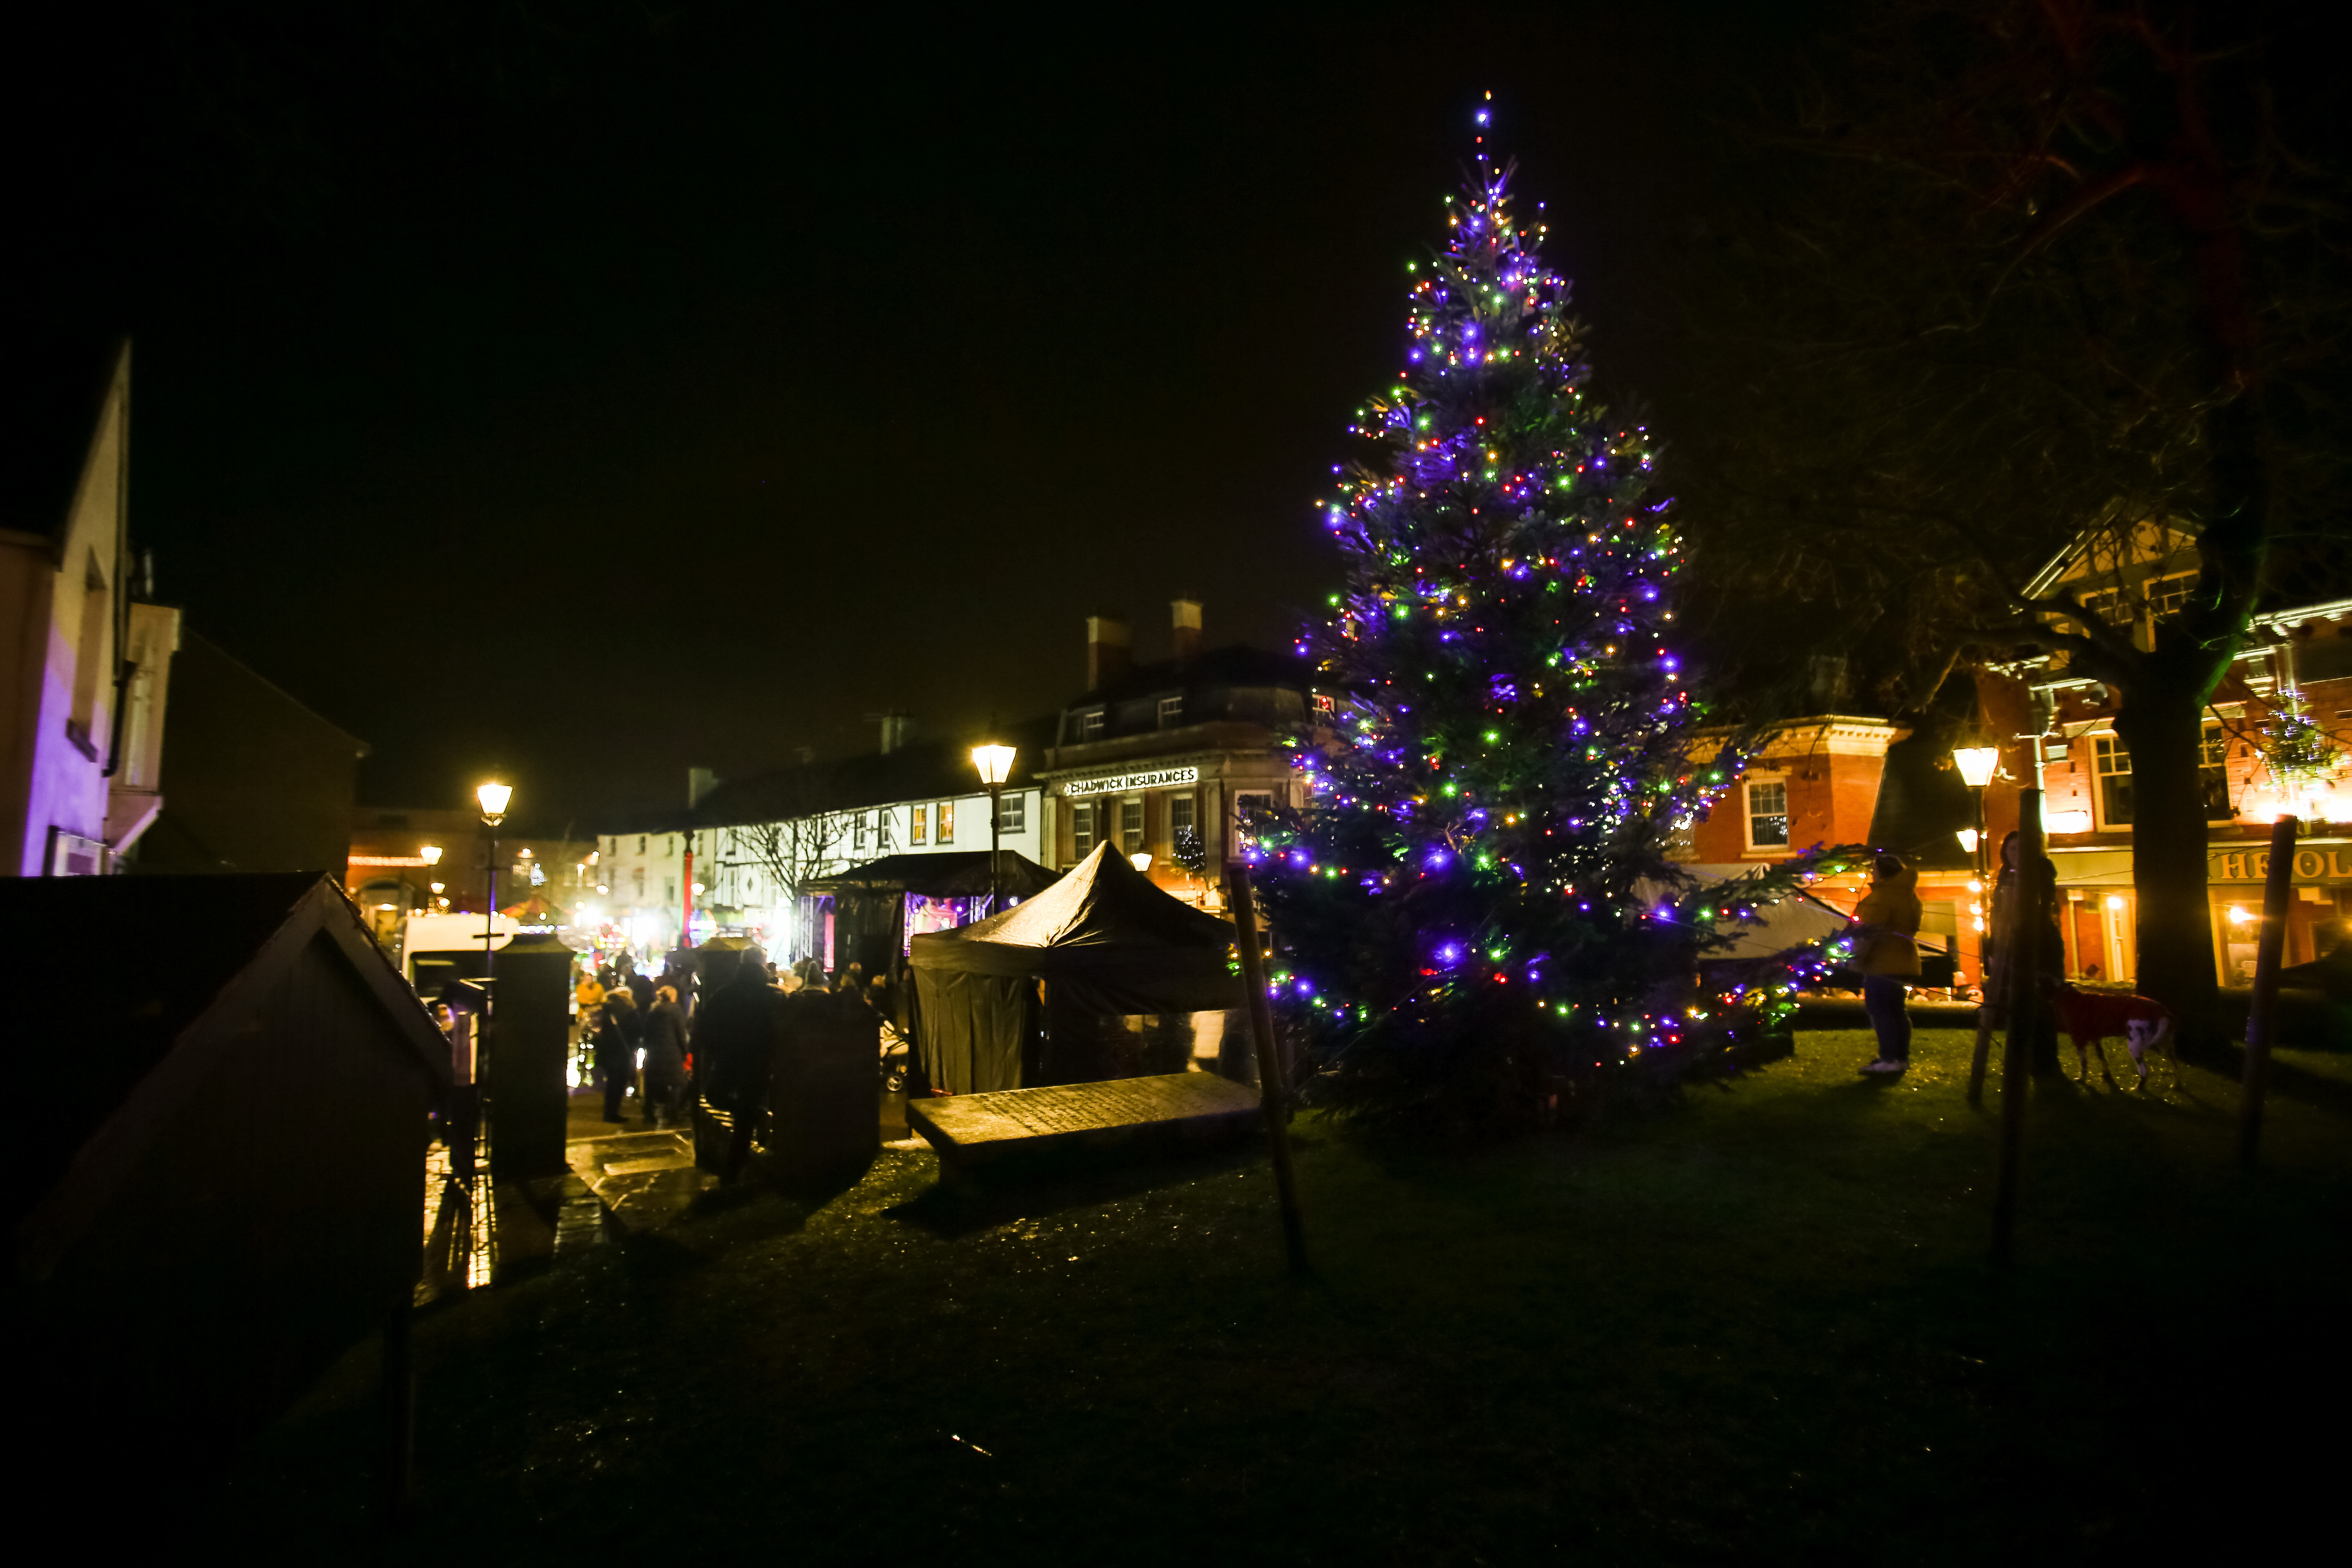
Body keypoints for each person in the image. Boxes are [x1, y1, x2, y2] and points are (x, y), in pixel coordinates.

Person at [693, 944, 782, 1181]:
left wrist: (719, 1051)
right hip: (758, 1063)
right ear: (763, 965)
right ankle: (733, 1173)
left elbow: (704, 1029)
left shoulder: (725, 994)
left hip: (730, 1060)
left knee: (717, 1097)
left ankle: (732, 1173)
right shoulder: (773, 995)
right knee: (745, 1118)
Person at [1853, 853, 1922, 1073]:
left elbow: (1868, 932)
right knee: (1897, 1011)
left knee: (1881, 1010)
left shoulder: (1882, 897)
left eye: (1874, 869)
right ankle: (1900, 1058)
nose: (1871, 873)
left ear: (1881, 871)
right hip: (1904, 961)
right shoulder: (1909, 895)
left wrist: (1856, 958)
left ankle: (1889, 1059)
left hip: (1882, 963)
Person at [642, 984, 688, 1127]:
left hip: (655, 1053)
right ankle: (673, 1113)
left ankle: (649, 1113)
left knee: (652, 1083)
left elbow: (647, 1033)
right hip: (672, 1052)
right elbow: (681, 1034)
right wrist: (685, 1052)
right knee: (675, 1083)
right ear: (673, 996)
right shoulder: (676, 1010)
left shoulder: (653, 1010)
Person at [596, 989, 639, 1122]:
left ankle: (609, 1112)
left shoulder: (607, 1009)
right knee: (619, 1083)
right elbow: (637, 1031)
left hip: (608, 1052)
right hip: (623, 1052)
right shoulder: (630, 1011)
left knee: (611, 1083)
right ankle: (614, 1113)